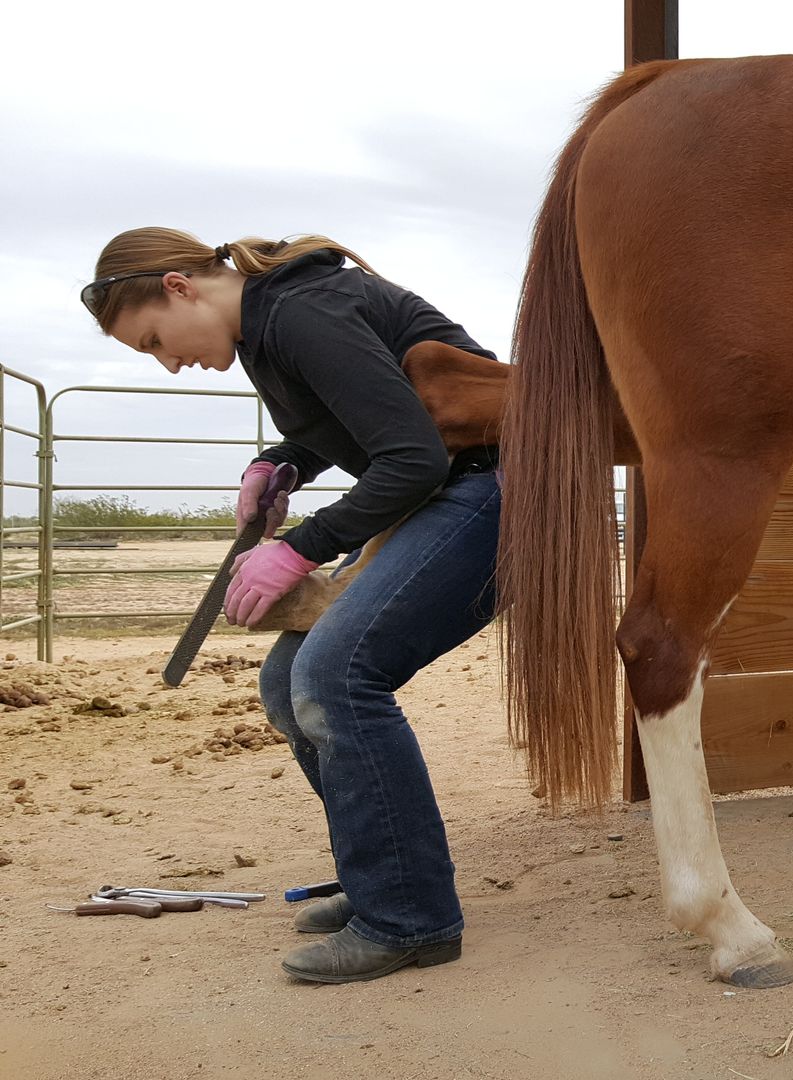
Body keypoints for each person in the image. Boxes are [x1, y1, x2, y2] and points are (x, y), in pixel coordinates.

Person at [82, 227, 502, 983]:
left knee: (335, 678)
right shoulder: (269, 330)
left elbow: (414, 456)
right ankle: (388, 881)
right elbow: (359, 412)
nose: (170, 363)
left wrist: (299, 547)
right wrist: (281, 459)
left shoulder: (303, 310)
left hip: (494, 489)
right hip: (447, 490)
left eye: (154, 342)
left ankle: (410, 921)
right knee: (287, 683)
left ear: (180, 286)